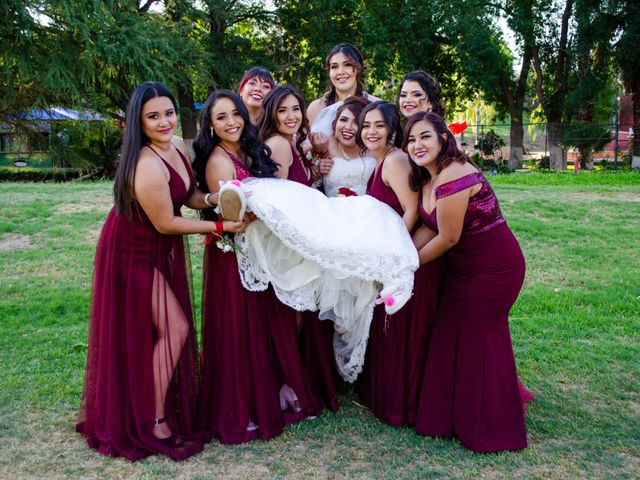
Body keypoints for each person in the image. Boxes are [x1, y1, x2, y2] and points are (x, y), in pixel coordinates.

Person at [76, 82, 246, 461]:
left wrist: (218, 198)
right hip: (131, 251)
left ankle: (153, 406)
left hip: (155, 248)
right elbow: (167, 222)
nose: (164, 121)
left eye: (168, 112)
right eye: (153, 116)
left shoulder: (176, 147)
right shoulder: (146, 162)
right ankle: (152, 421)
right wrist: (219, 227)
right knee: (175, 328)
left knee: (163, 330)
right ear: (139, 121)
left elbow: (187, 196)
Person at [192, 89, 323, 444]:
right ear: (210, 125)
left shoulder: (249, 149)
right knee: (240, 328)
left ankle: (272, 391)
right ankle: (241, 406)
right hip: (234, 254)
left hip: (262, 251)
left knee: (266, 324)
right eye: (221, 118)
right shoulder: (219, 160)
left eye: (235, 114)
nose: (231, 122)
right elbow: (232, 213)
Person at [405, 111, 530, 452]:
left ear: (444, 138)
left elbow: (446, 238)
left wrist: (406, 267)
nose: (417, 145)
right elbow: (427, 227)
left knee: (479, 340)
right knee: (448, 335)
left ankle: (491, 424)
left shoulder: (455, 173)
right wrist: (394, 254)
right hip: (464, 272)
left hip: (494, 270)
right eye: (411, 139)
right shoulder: (429, 180)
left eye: (425, 136)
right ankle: (447, 418)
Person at [354, 101, 440, 426]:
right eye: (366, 126)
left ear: (392, 129)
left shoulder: (395, 160)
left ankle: (404, 402)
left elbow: (412, 210)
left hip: (406, 257)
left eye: (379, 125)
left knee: (400, 328)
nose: (371, 131)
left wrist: (390, 253)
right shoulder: (380, 161)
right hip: (392, 255)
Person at [307, 43, 380, 131]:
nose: (340, 72)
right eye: (334, 67)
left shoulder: (375, 105)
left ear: (358, 68)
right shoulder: (316, 108)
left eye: (347, 65)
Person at [321, 96, 376, 197]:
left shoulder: (376, 149)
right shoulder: (323, 145)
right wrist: (317, 171)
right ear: (335, 122)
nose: (348, 127)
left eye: (356, 122)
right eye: (343, 120)